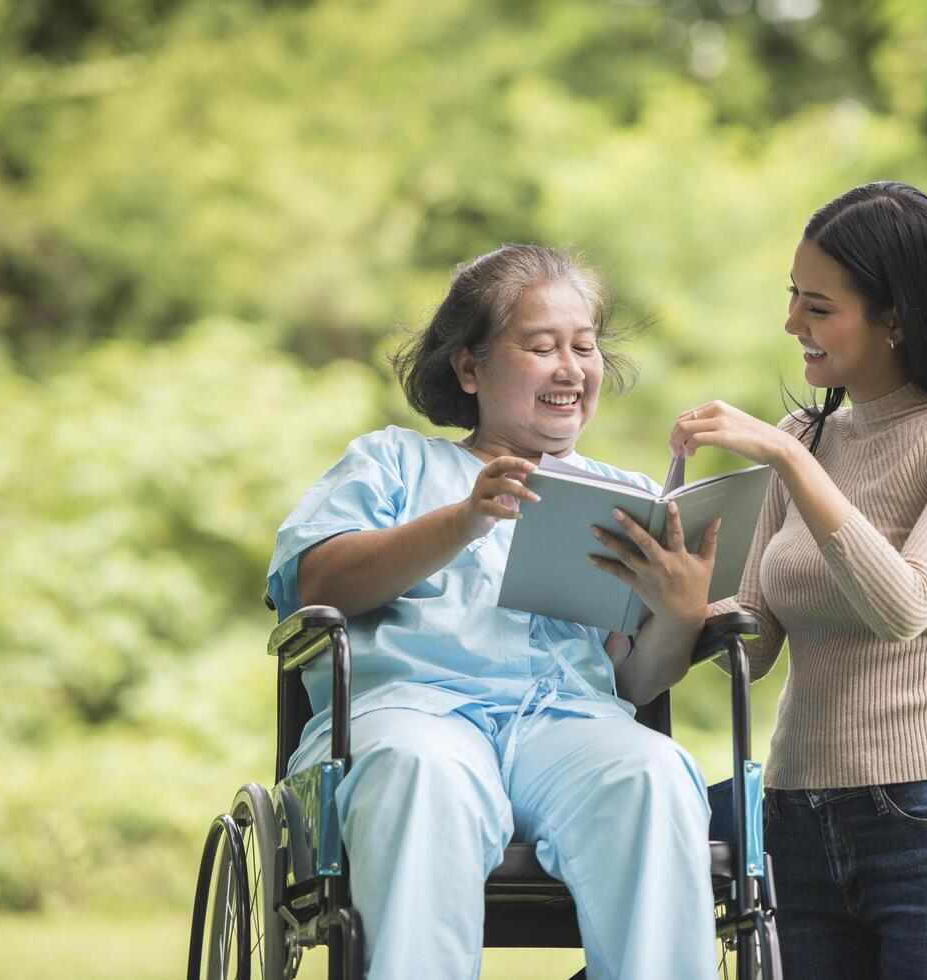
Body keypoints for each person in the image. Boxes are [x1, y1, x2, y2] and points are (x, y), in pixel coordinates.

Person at [265, 244, 721, 980]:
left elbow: (635, 683)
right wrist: (464, 519)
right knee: (422, 772)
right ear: (469, 368)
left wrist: (676, 612)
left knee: (654, 772)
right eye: (541, 347)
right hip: (415, 713)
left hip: (566, 724)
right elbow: (317, 583)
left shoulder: (622, 494)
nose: (570, 368)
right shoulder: (393, 463)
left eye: (583, 347)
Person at [665, 181, 927, 978]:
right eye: (793, 297)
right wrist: (670, 590)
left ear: (896, 318)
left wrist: (790, 461)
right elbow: (753, 644)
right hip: (795, 817)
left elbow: (905, 603)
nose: (792, 322)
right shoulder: (807, 433)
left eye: (818, 306)